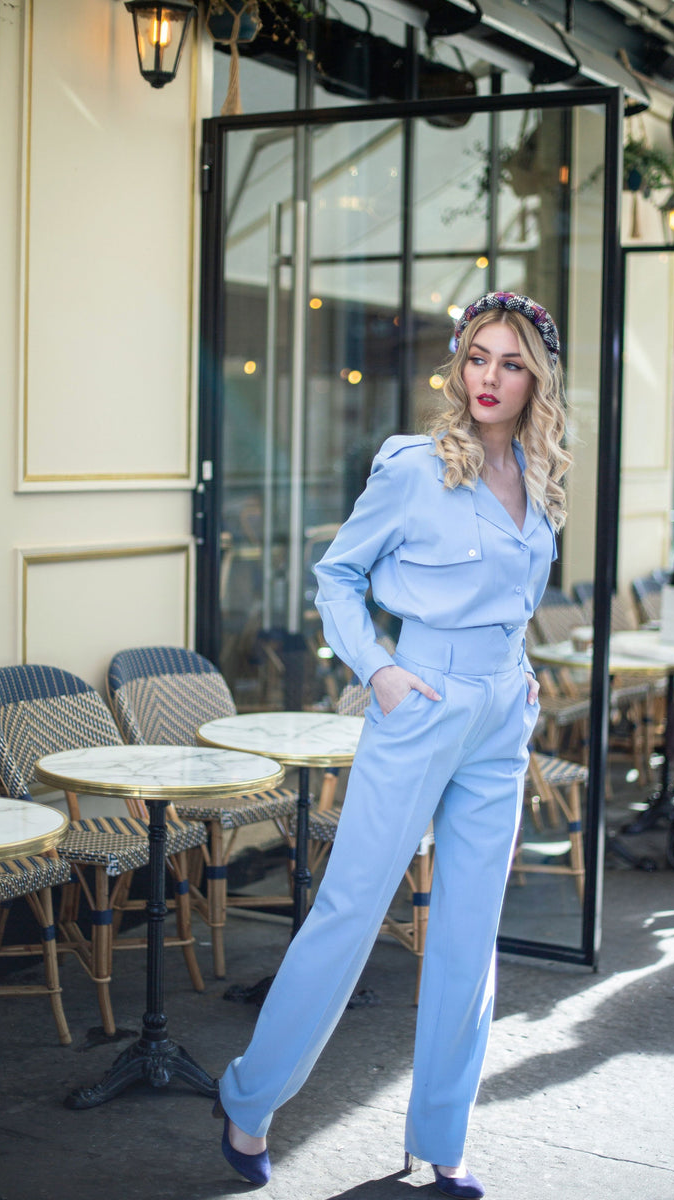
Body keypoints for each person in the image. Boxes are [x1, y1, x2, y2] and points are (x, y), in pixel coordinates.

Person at [213, 290, 571, 1199]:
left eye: (511, 363)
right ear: (459, 365)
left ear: (536, 380)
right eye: (478, 357)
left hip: (501, 713)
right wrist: (378, 670)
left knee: (468, 935)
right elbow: (337, 576)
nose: (489, 377)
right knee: (351, 909)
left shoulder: (538, 475)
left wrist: (522, 674)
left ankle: (441, 1141)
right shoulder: (416, 467)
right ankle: (250, 1098)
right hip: (419, 699)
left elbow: (512, 597)